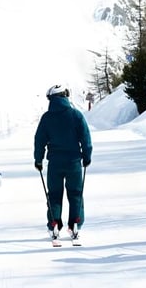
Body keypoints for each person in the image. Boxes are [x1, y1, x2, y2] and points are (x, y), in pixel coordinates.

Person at [34, 84, 93, 241]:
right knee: (75, 193)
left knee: (54, 194)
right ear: (64, 96)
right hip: (73, 162)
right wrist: (87, 156)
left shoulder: (47, 118)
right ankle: (75, 223)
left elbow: (39, 140)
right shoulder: (75, 115)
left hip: (54, 163)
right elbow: (85, 137)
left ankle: (54, 223)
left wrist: (38, 159)